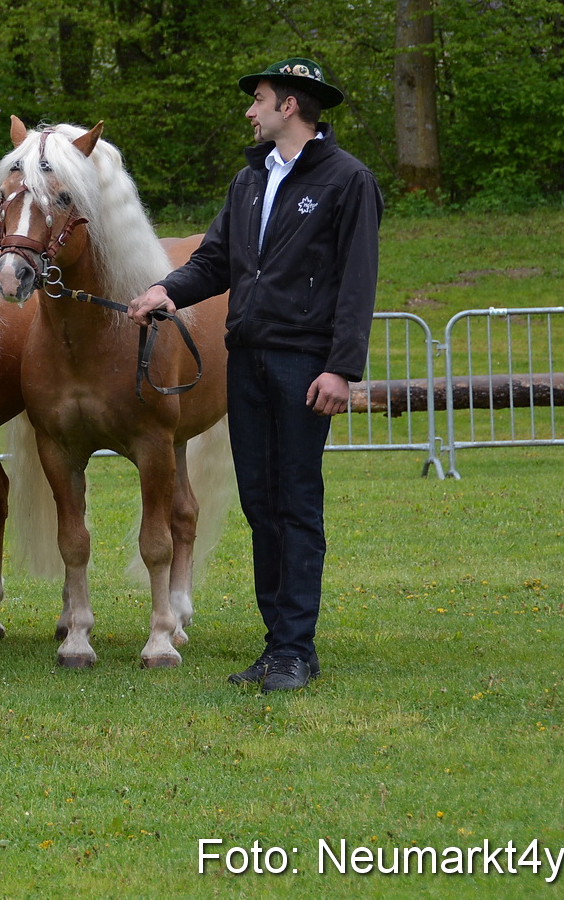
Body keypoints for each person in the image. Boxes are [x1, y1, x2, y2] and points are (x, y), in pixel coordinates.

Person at [130, 59, 381, 692]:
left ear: (290, 106)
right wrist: (166, 289)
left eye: (260, 100)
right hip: (246, 360)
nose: (251, 110)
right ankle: (279, 646)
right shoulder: (251, 180)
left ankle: (296, 648)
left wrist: (341, 370)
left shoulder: (348, 181)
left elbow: (357, 283)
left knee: (296, 502)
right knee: (260, 504)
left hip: (305, 365)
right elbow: (217, 260)